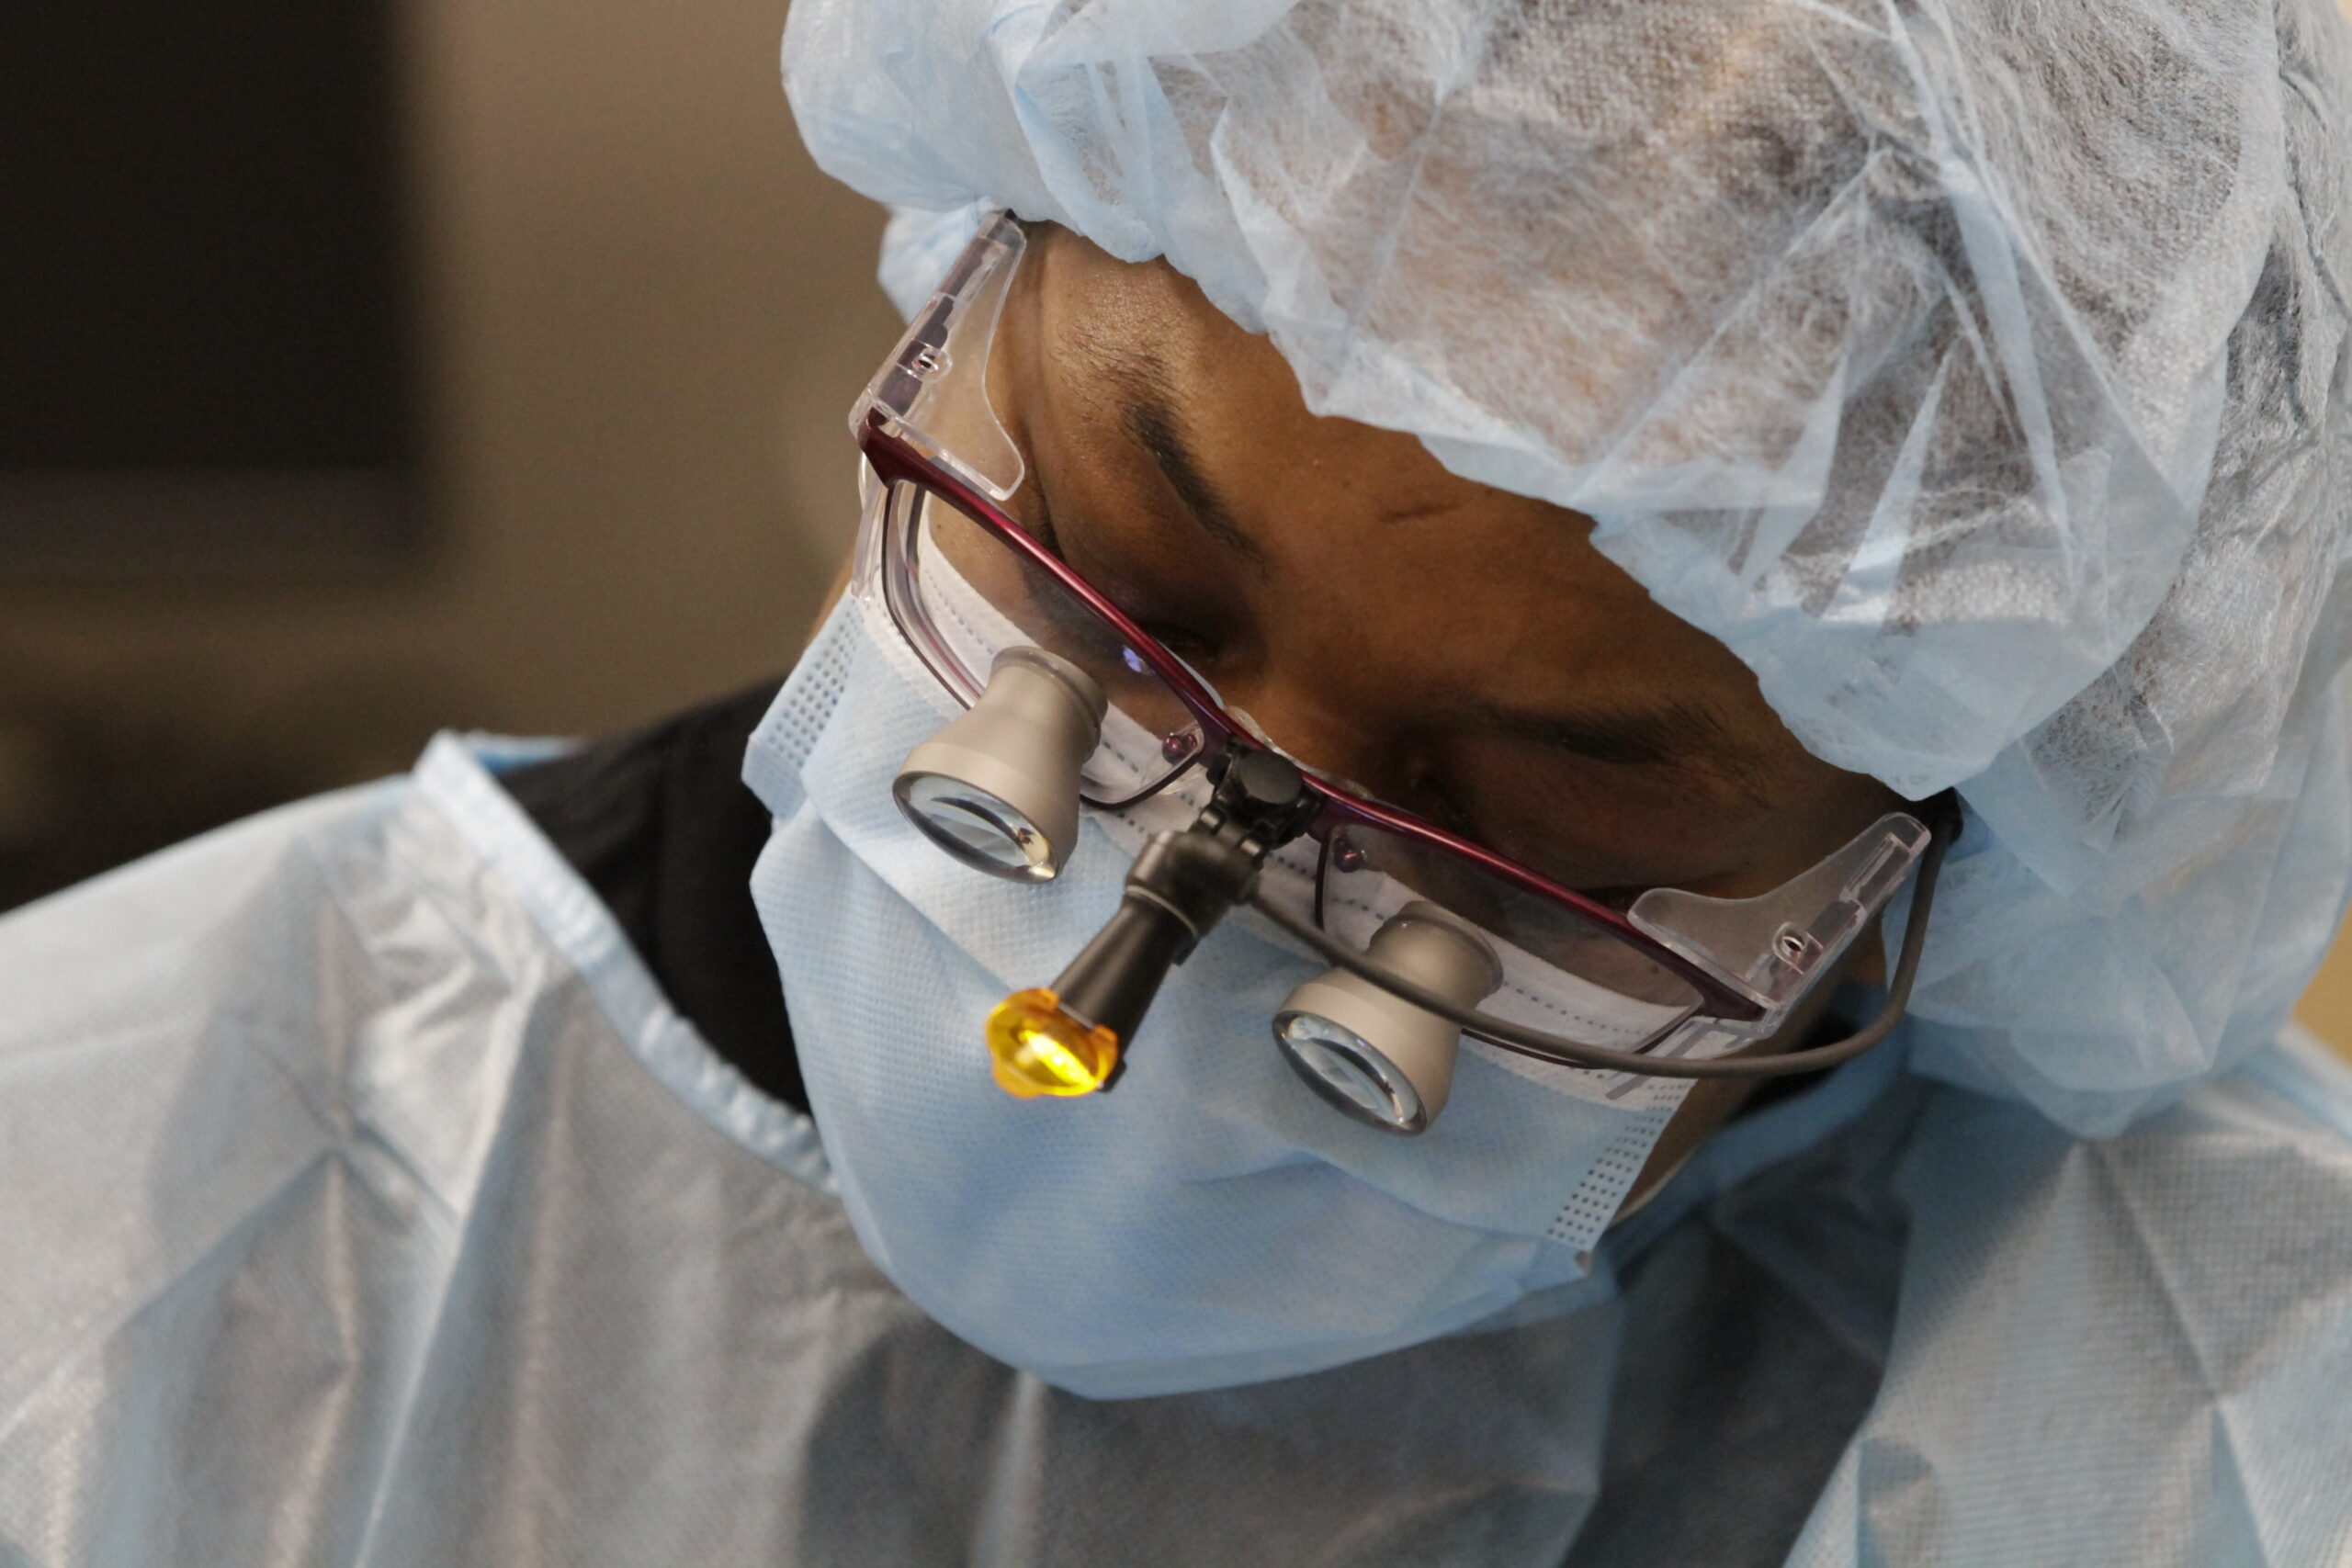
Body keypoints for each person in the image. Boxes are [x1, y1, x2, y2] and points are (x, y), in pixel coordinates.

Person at [5, 1, 2352, 1562]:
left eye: (1534, 811)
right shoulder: (115, 1211)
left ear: (1962, 856)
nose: (1163, 893)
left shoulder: (2222, 1424)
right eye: (1125, 572)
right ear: (968, 277)